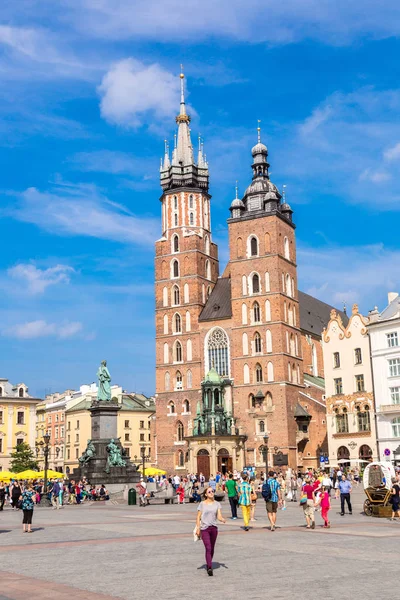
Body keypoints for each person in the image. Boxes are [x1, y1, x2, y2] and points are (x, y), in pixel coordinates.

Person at [195, 487, 226, 576]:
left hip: (214, 528)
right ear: (205, 494)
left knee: (212, 548)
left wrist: (222, 519)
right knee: (208, 547)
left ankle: (209, 561)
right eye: (209, 492)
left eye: (212, 491)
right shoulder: (202, 504)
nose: (211, 493)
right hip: (204, 529)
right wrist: (198, 528)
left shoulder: (217, 504)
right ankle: (209, 567)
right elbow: (198, 517)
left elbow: (219, 516)